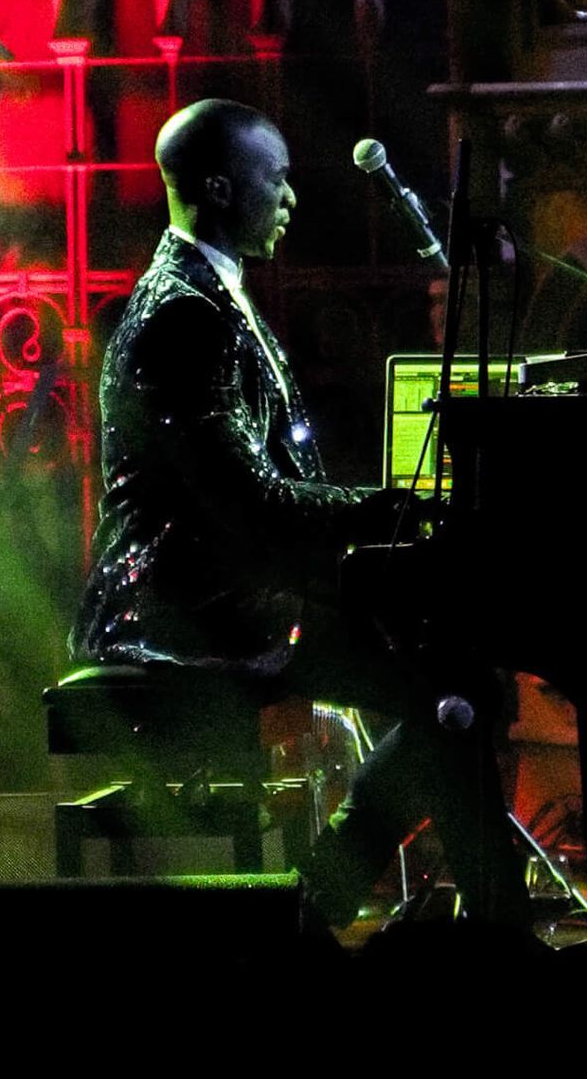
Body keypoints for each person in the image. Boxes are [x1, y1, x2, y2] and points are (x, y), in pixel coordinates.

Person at [73, 97, 528, 926]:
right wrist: (387, 511)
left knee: (459, 681)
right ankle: (427, 920)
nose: (291, 199)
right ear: (219, 186)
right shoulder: (184, 312)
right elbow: (246, 503)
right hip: (185, 607)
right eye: (275, 180)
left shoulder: (210, 292)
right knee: (455, 686)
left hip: (231, 585)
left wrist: (384, 524)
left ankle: (352, 900)